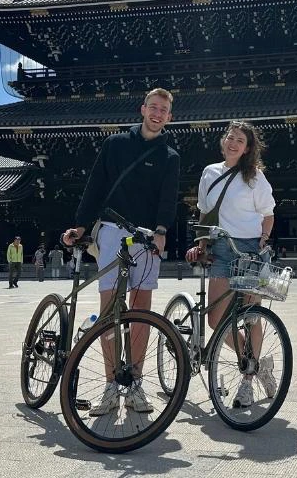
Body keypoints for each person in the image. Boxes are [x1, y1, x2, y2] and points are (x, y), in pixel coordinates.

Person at [62, 87, 180, 415]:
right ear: (142, 109)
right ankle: (112, 385)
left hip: (145, 237)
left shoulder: (170, 157)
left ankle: (136, 384)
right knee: (111, 310)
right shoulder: (115, 145)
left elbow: (167, 200)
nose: (157, 114)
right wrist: (82, 227)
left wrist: (160, 232)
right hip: (113, 231)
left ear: (169, 117)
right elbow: (95, 187)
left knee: (141, 312)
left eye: (163, 110)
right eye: (152, 107)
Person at [185, 120, 277, 408]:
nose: (233, 143)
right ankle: (254, 362)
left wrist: (263, 238)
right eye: (230, 137)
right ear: (223, 141)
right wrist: (201, 246)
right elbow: (204, 213)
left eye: (240, 140)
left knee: (251, 316)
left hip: (249, 249)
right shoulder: (209, 173)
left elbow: (268, 213)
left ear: (248, 148)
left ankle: (247, 381)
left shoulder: (255, 177)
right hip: (221, 248)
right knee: (216, 319)